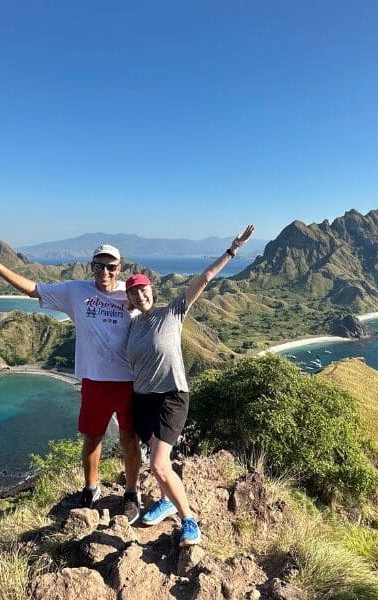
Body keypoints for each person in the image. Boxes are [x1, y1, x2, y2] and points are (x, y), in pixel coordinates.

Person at [0, 238, 142, 523]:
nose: (104, 272)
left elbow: (160, 316)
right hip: (94, 382)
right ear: (92, 267)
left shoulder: (131, 294)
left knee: (129, 440)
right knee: (92, 438)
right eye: (99, 266)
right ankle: (90, 489)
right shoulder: (76, 291)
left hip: (128, 382)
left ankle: (131, 494)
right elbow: (32, 289)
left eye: (110, 267)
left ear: (119, 268)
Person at [125, 225, 254, 546]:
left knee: (157, 464)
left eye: (144, 290)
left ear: (151, 290)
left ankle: (189, 520)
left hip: (172, 397)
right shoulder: (131, 325)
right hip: (141, 400)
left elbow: (205, 278)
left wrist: (232, 250)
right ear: (127, 297)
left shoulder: (173, 312)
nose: (140, 295)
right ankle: (166, 501)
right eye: (133, 292)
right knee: (159, 463)